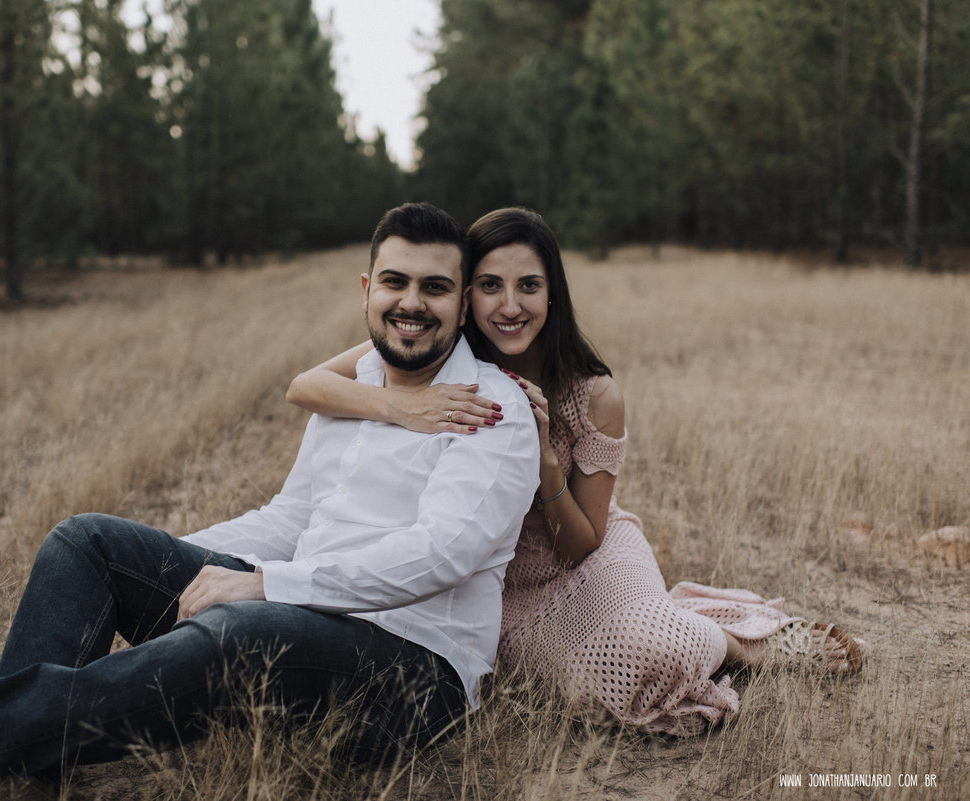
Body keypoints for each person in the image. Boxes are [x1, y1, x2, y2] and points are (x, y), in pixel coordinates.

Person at [0, 203, 540, 800]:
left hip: (411, 674)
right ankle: (16, 771)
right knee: (90, 541)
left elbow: (441, 555)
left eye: (435, 287)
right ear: (366, 290)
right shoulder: (356, 388)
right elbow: (294, 518)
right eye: (396, 283)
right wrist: (170, 565)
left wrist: (266, 585)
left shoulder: (492, 411)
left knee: (242, 625)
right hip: (302, 616)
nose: (413, 303)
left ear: (462, 301)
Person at [286, 206, 867, 737]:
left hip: (589, 557)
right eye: (490, 286)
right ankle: (684, 612)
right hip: (491, 580)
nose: (509, 306)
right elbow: (305, 386)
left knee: (654, 652)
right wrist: (401, 404)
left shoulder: (593, 396)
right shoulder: (439, 347)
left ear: (552, 294)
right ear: (465, 297)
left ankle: (740, 642)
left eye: (528, 286)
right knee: (608, 689)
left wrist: (543, 461)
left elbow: (582, 543)